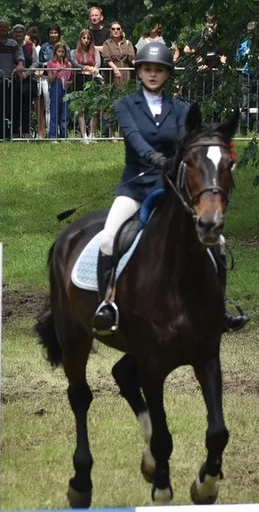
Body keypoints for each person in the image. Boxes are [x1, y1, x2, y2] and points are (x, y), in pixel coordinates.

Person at [92, 43, 248, 336]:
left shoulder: (181, 109)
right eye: (148, 69)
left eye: (159, 70)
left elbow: (186, 140)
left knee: (219, 243)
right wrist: (155, 158)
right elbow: (135, 138)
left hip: (172, 191)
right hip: (136, 188)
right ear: (139, 71)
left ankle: (220, 309)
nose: (153, 74)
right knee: (109, 239)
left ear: (167, 74)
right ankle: (107, 305)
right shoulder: (125, 105)